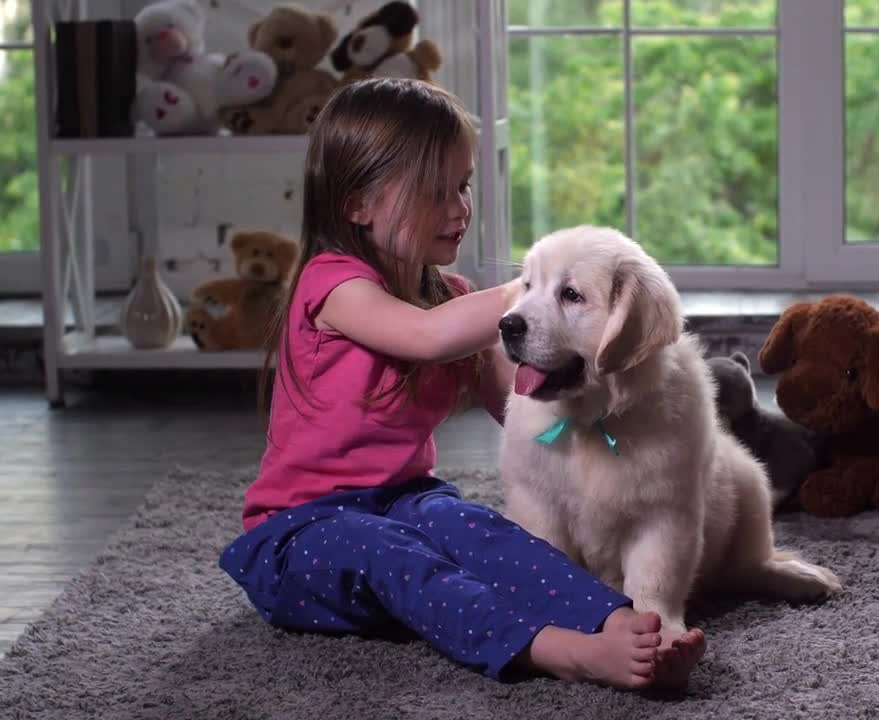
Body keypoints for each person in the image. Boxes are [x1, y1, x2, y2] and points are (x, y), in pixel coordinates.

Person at [218, 77, 705, 690]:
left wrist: (613, 405)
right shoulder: (331, 284)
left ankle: (618, 623)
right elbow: (424, 336)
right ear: (357, 204)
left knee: (482, 532)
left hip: (406, 502)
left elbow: (523, 408)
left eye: (464, 185)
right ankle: (556, 650)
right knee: (392, 555)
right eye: (434, 190)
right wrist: (544, 285)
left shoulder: (451, 301)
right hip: (299, 533)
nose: (459, 207)